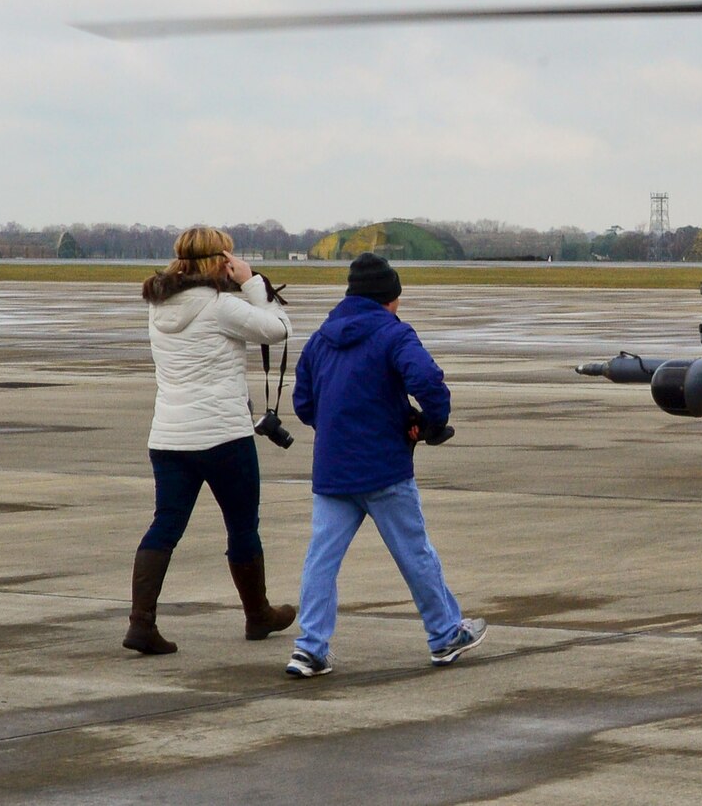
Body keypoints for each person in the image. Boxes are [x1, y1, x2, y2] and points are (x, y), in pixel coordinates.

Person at [285, 253, 484, 677]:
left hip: (333, 468)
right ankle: (445, 633)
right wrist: (430, 422)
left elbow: (303, 402)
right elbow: (427, 381)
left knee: (321, 558)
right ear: (389, 299)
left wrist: (337, 428)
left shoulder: (322, 338)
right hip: (383, 467)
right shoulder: (393, 333)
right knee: (415, 553)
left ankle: (309, 647)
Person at [127, 227, 296, 655]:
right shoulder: (220, 306)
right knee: (242, 526)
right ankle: (257, 615)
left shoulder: (158, 306)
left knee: (166, 524)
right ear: (218, 260)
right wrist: (252, 283)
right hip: (222, 436)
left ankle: (141, 623)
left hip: (168, 436)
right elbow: (279, 329)